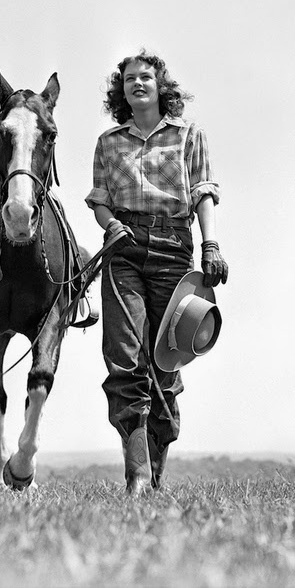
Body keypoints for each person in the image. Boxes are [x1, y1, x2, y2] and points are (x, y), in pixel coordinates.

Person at [85, 50, 228, 495]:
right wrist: (110, 224)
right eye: (129, 79)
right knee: (126, 359)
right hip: (124, 248)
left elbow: (203, 193)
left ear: (160, 86)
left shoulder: (189, 136)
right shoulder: (109, 142)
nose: (137, 84)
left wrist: (211, 245)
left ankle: (157, 471)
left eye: (145, 77)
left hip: (173, 249)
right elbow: (100, 199)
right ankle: (137, 477)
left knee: (165, 363)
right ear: (121, 91)